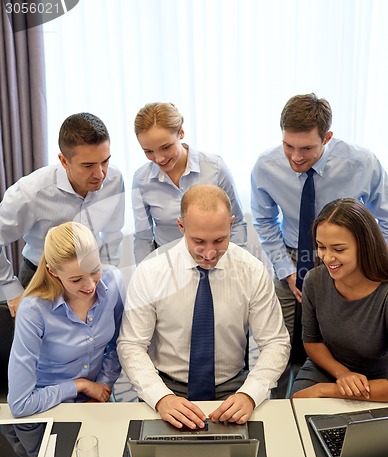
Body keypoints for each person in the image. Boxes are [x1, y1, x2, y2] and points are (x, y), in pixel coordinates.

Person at [117, 184, 290, 429]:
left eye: (219, 240)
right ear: (181, 226)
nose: (209, 253)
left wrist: (250, 393)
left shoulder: (252, 271)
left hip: (233, 388)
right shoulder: (151, 271)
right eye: (198, 241)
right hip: (166, 386)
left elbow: (275, 342)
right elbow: (131, 344)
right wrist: (161, 397)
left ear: (231, 225)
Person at [250, 93, 388, 341]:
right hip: (292, 256)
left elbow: (386, 219)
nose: (296, 157)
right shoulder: (265, 166)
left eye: (306, 148)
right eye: (288, 146)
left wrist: (370, 263)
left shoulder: (362, 163)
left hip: (349, 258)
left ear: (327, 138)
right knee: (279, 341)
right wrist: (286, 270)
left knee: (341, 340)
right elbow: (264, 220)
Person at [0, 112, 125, 317]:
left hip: (91, 278)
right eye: (88, 165)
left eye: (104, 161)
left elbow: (113, 233)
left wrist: (106, 279)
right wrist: (11, 290)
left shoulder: (114, 179)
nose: (100, 174)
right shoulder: (30, 193)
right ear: (64, 161)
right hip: (43, 280)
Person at [8, 222, 125, 418]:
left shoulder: (113, 281)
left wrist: (102, 385)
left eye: (94, 270)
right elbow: (20, 404)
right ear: (53, 271)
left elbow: (118, 344)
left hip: (97, 396)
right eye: (76, 279)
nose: (90, 286)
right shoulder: (33, 310)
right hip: (47, 404)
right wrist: (79, 386)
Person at [291, 198, 388, 402]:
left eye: (338, 249)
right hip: (327, 367)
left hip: (380, 379)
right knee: (297, 406)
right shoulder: (314, 280)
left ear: (365, 246)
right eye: (321, 247)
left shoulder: (384, 293)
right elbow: (312, 342)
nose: (327, 258)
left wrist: (327, 390)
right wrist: (342, 374)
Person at [132, 102, 247, 264]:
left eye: (165, 147)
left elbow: (237, 224)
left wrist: (235, 266)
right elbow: (143, 238)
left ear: (181, 133)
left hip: (216, 261)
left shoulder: (215, 168)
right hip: (169, 267)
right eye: (148, 151)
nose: (159, 158)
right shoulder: (141, 180)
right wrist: (143, 276)